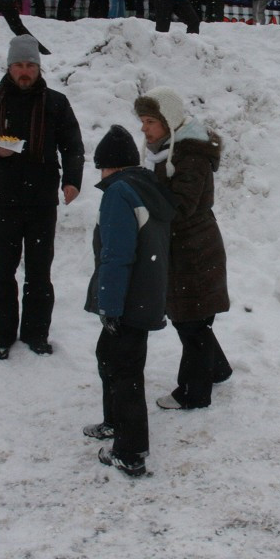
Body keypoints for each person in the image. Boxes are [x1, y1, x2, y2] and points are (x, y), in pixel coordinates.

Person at [0, 35, 84, 359]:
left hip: (43, 202)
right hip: (3, 200)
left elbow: (73, 147)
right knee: (2, 271)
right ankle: (1, 336)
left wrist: (73, 181)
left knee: (39, 272)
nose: (25, 71)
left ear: (39, 68)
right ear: (9, 67)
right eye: (19, 65)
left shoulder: (56, 103)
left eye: (31, 65)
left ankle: (36, 334)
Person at [83, 125, 176, 478]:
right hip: (146, 295)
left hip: (128, 300)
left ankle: (130, 452)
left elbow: (116, 255)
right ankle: (114, 423)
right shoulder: (145, 186)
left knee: (124, 371)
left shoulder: (119, 193)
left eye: (101, 168)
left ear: (110, 166)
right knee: (111, 358)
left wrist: (110, 305)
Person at [135, 87, 232, 410]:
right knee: (194, 317)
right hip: (183, 249)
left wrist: (140, 200)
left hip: (194, 251)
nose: (144, 128)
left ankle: (193, 392)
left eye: (150, 121)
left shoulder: (189, 155)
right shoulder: (166, 150)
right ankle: (216, 368)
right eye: (143, 121)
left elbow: (182, 206)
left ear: (168, 120)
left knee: (191, 320)